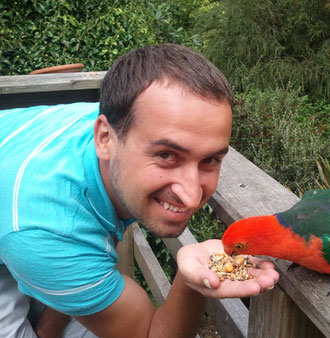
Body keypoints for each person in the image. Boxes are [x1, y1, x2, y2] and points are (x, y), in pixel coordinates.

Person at [0, 43, 279, 337]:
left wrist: (200, 272)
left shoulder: (124, 128)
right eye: (167, 155)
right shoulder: (47, 231)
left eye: (209, 160)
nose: (192, 196)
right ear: (104, 138)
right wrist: (192, 282)